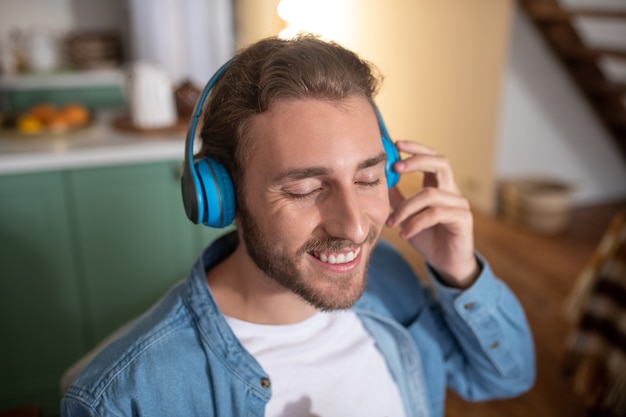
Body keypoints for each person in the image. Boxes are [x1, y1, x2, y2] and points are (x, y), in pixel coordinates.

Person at [61, 34, 535, 417]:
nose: (353, 227)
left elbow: (506, 378)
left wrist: (460, 272)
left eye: (368, 178)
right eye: (306, 189)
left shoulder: (389, 275)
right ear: (222, 197)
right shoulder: (121, 399)